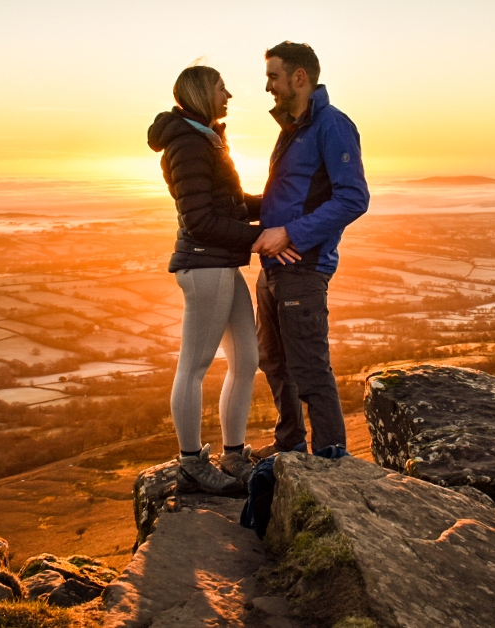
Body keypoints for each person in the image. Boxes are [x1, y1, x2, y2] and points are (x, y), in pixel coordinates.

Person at [147, 65, 298, 494]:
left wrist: (276, 206)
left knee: (247, 361)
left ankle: (233, 455)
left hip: (222, 264)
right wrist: (260, 237)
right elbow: (199, 220)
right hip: (205, 265)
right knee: (194, 367)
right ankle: (192, 462)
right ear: (200, 93)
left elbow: (228, 205)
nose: (228, 94)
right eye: (220, 88)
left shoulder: (205, 139)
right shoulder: (189, 144)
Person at [250, 42, 370, 457]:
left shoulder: (331, 125)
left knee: (310, 369)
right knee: (275, 362)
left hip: (304, 265)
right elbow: (287, 198)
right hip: (274, 268)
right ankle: (290, 446)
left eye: (273, 77)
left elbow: (353, 198)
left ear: (299, 77)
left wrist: (291, 235)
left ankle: (332, 460)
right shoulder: (293, 129)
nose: (268, 86)